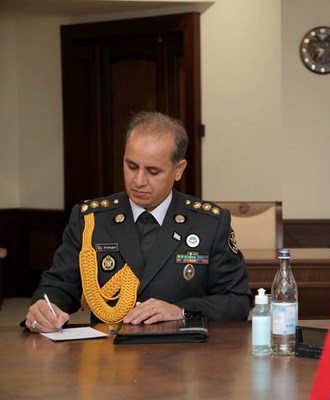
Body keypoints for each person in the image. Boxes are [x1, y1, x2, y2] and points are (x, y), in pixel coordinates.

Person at [24, 111, 252, 333]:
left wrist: (181, 311)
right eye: (131, 166)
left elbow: (237, 301)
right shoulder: (90, 220)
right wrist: (44, 308)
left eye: (153, 171)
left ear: (178, 170)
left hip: (183, 353)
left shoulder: (209, 223)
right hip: (110, 353)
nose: (139, 181)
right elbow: (58, 286)